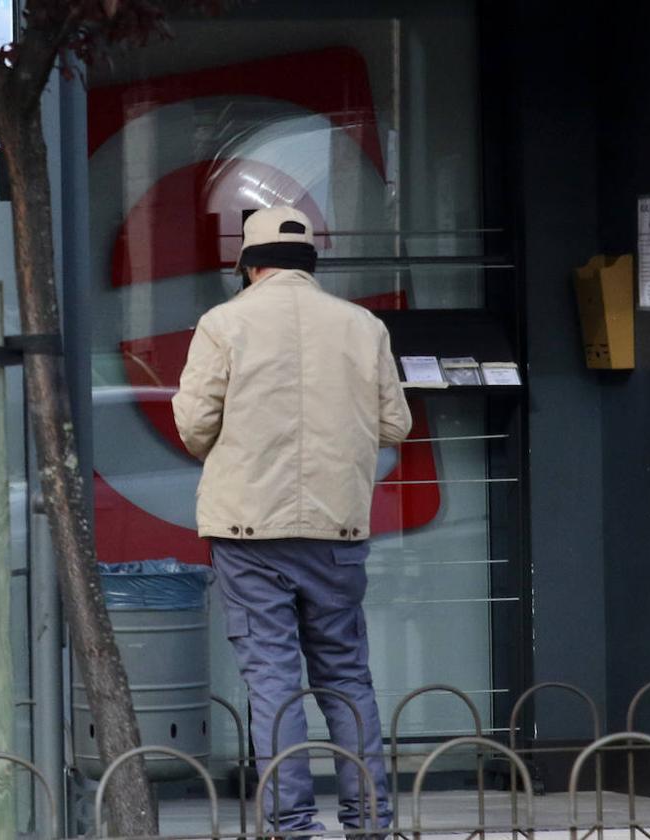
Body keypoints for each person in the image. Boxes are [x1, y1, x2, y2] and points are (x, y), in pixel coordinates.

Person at [172, 205, 412, 837]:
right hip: (337, 526)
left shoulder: (223, 324)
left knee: (272, 677)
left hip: (248, 529)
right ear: (312, 265)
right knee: (345, 674)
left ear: (248, 268)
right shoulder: (362, 327)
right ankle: (370, 820)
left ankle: (293, 825)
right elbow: (397, 425)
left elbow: (194, 426)